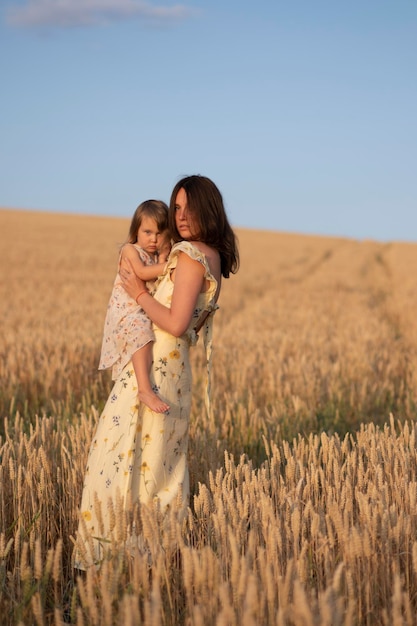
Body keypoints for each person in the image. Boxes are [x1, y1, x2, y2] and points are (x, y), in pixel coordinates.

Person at [74, 175, 239, 569]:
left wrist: (139, 294)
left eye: (188, 208)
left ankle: (108, 561)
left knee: (118, 458)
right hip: (177, 374)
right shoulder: (211, 256)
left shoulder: (189, 255)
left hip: (156, 370)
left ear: (208, 208)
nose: (180, 217)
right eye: (176, 208)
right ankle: (151, 563)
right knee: (161, 467)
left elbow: (177, 322)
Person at [98, 200, 171, 413]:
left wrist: (164, 255)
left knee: (150, 340)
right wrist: (168, 264)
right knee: (142, 334)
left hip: (141, 308)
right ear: (136, 231)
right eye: (147, 232)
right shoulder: (130, 250)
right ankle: (144, 389)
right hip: (127, 312)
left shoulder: (155, 257)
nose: (153, 239)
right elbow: (141, 273)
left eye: (160, 233)